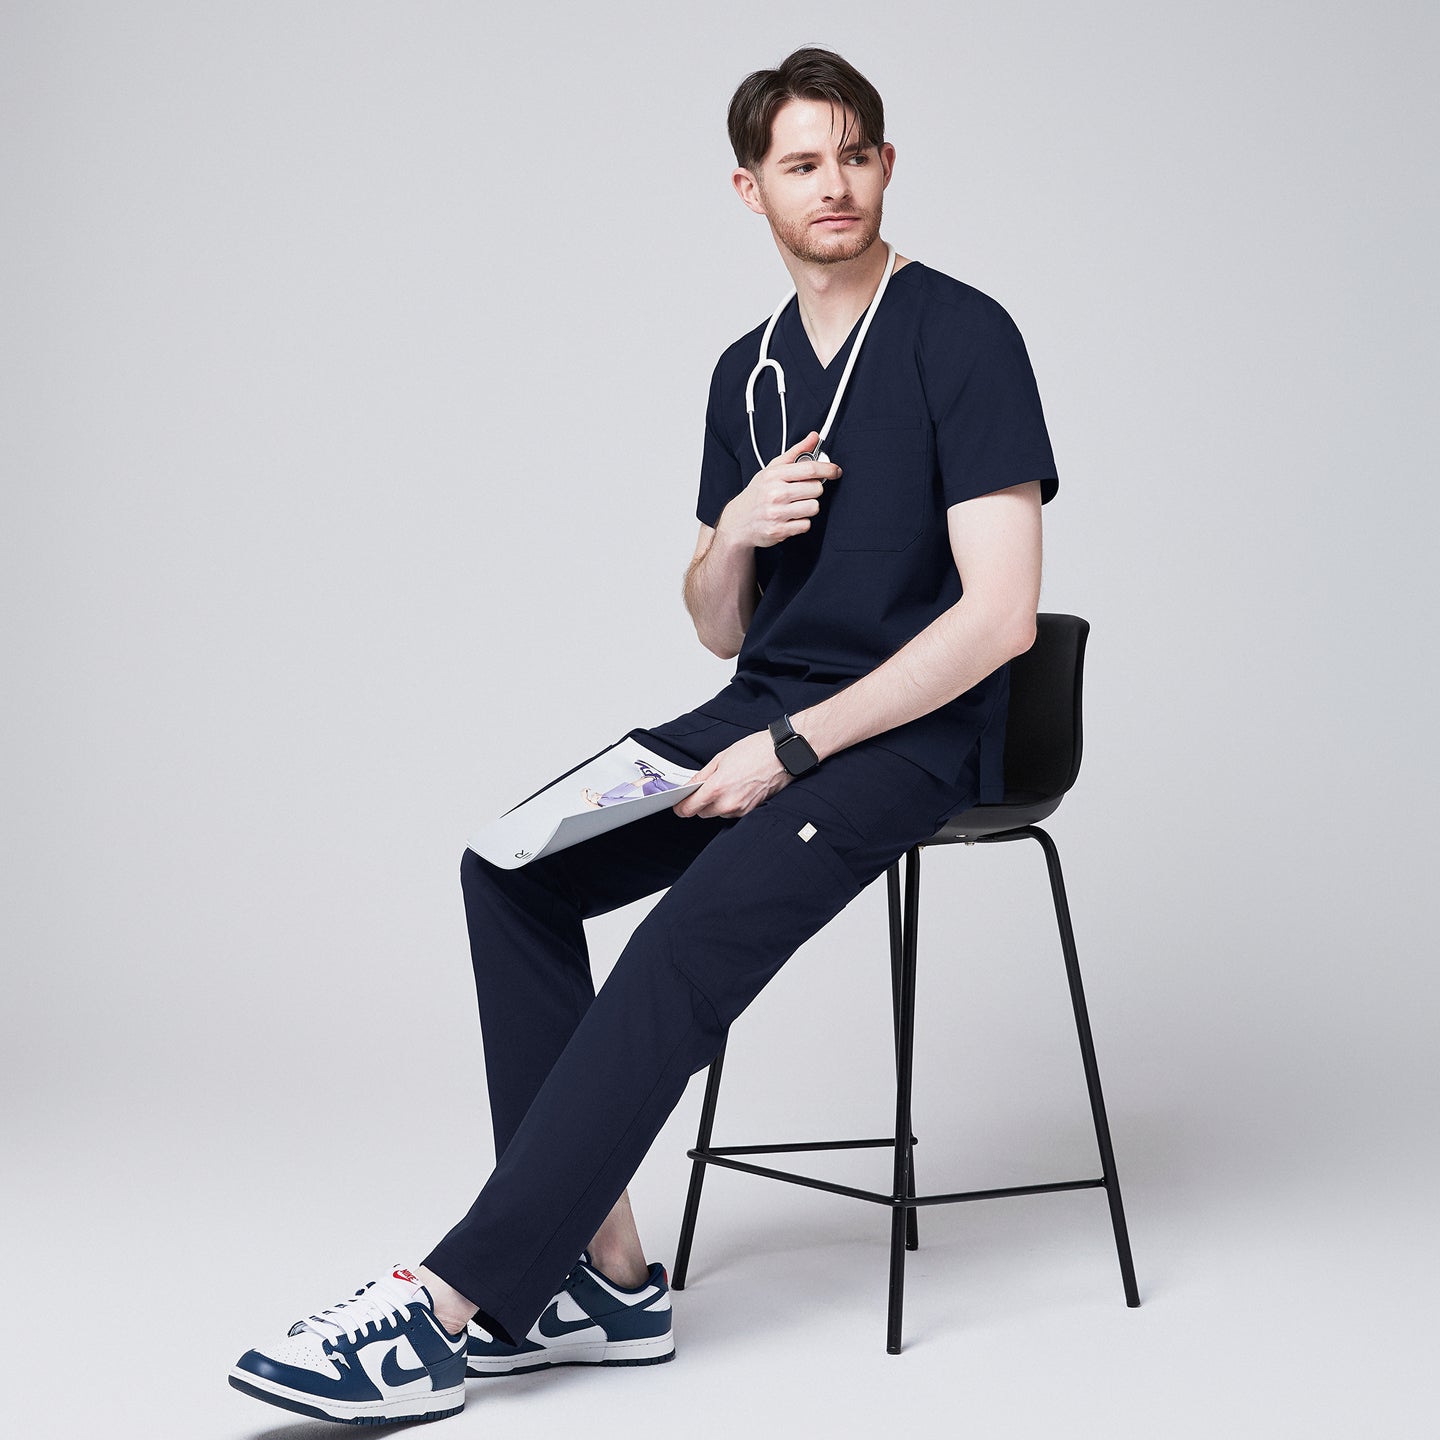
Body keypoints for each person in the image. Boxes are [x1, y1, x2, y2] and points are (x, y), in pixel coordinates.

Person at [229, 46, 1056, 1426]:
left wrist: (792, 754)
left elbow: (1004, 618)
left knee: (679, 948)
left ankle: (453, 1303)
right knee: (508, 866)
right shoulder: (750, 373)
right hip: (755, 710)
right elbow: (718, 627)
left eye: (855, 153)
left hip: (915, 737)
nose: (834, 183)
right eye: (802, 162)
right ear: (751, 189)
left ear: (888, 165)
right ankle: (608, 1279)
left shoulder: (963, 334)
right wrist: (733, 531)